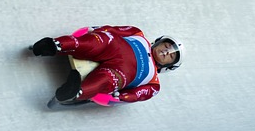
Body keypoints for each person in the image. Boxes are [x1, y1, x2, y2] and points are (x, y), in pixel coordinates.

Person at [31, 25, 183, 105]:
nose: (166, 52)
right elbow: (114, 30)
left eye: (171, 55)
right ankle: (54, 45)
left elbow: (138, 95)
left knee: (106, 79)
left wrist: (122, 96)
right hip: (114, 45)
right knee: (97, 42)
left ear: (169, 66)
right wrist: (98, 30)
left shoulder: (154, 83)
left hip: (122, 72)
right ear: (160, 41)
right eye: (167, 47)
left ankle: (76, 90)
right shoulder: (138, 34)